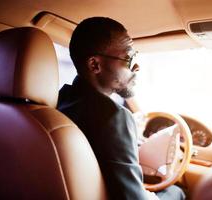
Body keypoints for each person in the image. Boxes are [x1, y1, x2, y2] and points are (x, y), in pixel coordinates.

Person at [57, 17, 185, 200]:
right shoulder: (113, 118)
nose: (136, 66)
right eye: (128, 58)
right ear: (95, 65)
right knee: (176, 192)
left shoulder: (59, 101)